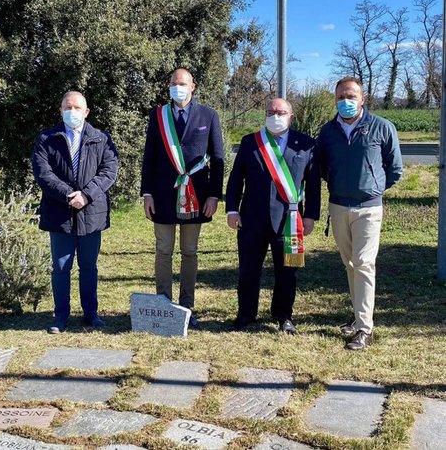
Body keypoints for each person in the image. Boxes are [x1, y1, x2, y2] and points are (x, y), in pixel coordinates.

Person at [316, 77, 402, 350]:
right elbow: (321, 167)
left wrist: (374, 188)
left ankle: (365, 328)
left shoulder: (382, 127)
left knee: (364, 263)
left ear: (363, 98)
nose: (346, 101)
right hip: (339, 206)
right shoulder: (328, 131)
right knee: (349, 263)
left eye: (351, 96)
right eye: (341, 96)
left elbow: (395, 168)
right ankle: (357, 317)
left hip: (368, 208)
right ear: (335, 99)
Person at [225, 98, 321, 334]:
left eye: (281, 112)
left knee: (288, 270)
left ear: (291, 115)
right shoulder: (251, 142)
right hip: (251, 219)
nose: (275, 115)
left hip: (290, 221)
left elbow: (314, 184)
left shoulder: (306, 145)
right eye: (270, 111)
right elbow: (236, 178)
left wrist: (310, 216)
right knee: (248, 269)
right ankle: (246, 314)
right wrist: (232, 209)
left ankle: (284, 315)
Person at [140, 68, 224, 327]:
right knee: (163, 250)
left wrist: (214, 195)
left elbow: (219, 158)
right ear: (169, 86)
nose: (179, 87)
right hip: (163, 195)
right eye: (174, 83)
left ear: (193, 86)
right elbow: (149, 157)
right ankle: (163, 305)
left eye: (183, 83)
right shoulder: (158, 116)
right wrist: (147, 193)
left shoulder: (209, 115)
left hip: (196, 195)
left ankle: (187, 306)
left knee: (189, 251)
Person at [32, 91, 118, 334]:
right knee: (61, 267)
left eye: (77, 107)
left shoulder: (101, 139)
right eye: (67, 107)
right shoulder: (46, 139)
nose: (72, 111)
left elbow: (109, 171)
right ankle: (60, 316)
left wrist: (86, 195)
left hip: (92, 214)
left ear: (86, 112)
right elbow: (43, 173)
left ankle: (91, 314)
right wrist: (69, 195)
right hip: (60, 214)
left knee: (88, 267)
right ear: (60, 111)